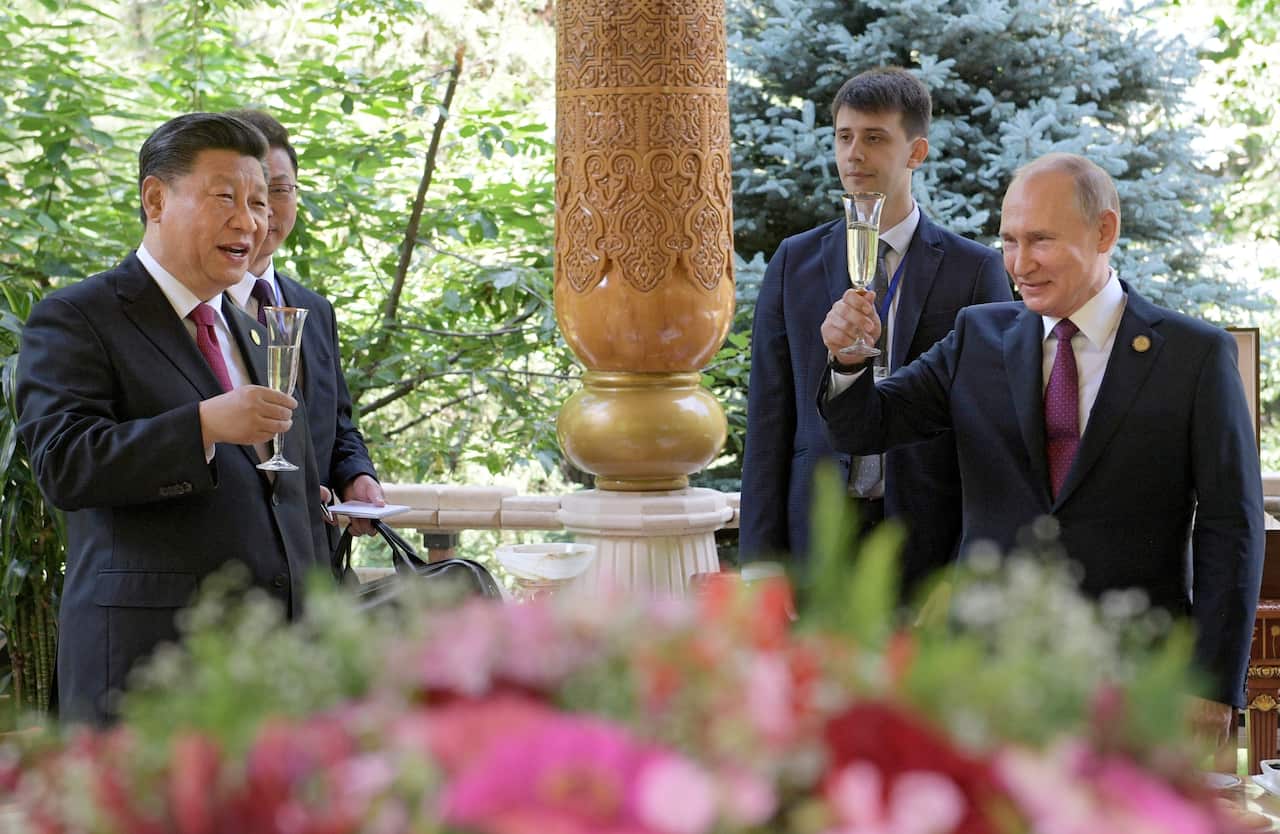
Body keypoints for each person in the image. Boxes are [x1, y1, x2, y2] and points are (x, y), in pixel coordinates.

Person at [819, 152, 1264, 742]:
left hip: (1133, 673)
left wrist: (1210, 682)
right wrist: (849, 362)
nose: (1019, 264)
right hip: (987, 676)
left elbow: (1232, 524)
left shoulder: (1194, 356)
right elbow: (867, 426)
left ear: (1105, 230)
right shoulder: (976, 336)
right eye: (1008, 241)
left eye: (1041, 241)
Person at [16, 112, 331, 724]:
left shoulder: (258, 328)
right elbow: (65, 465)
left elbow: (289, 495)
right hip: (149, 670)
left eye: (261, 201)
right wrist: (204, 426)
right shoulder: (79, 316)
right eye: (225, 198)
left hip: (278, 677)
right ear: (156, 199)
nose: (250, 221)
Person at [739, 67, 1011, 595]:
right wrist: (760, 562)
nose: (853, 154)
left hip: (928, 541)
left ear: (916, 152)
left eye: (874, 138)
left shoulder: (975, 270)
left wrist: (975, 567)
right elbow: (770, 416)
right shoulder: (795, 261)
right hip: (815, 537)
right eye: (844, 137)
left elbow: (989, 432)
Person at [223, 108, 383, 540]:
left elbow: (337, 423)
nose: (266, 210)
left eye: (279, 190)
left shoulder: (314, 309)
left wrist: (357, 475)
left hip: (318, 566)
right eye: (246, 193)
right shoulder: (198, 310)